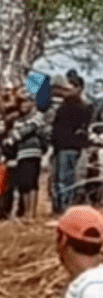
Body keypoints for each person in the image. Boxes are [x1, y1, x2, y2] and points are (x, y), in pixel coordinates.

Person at [53, 71, 93, 214]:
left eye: (69, 87)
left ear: (78, 88)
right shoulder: (62, 105)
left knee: (67, 178)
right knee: (59, 178)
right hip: (59, 146)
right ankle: (59, 205)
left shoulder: (82, 106)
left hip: (71, 146)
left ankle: (66, 206)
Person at [5, 92, 49, 220]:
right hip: (20, 154)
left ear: (32, 103)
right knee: (24, 183)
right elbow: (14, 133)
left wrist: (13, 137)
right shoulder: (18, 120)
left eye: (26, 102)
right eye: (21, 102)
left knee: (32, 183)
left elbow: (26, 131)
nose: (24, 105)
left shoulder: (38, 116)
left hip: (33, 153)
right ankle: (26, 213)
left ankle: (31, 214)